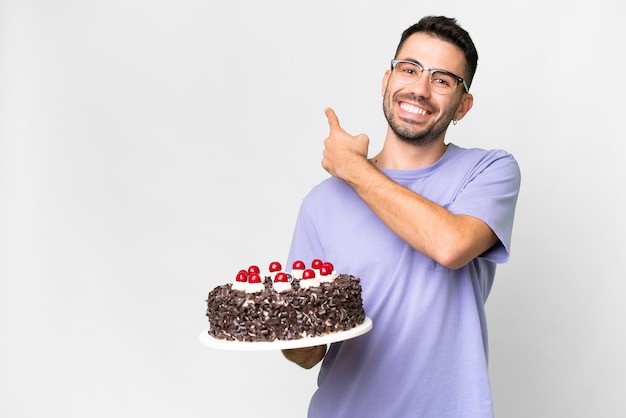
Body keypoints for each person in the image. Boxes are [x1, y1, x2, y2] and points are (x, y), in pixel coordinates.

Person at [281, 15, 521, 418]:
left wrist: (353, 169)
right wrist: (287, 332)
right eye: (409, 70)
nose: (420, 89)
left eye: (442, 79)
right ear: (386, 81)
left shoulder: (488, 171)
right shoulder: (322, 203)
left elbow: (450, 245)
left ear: (463, 105)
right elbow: (306, 353)